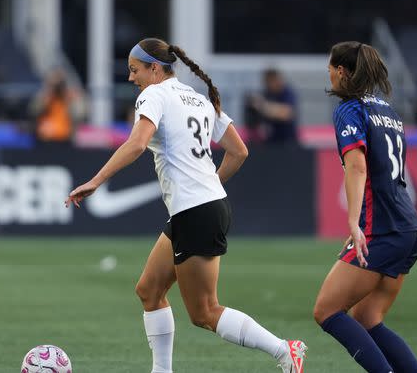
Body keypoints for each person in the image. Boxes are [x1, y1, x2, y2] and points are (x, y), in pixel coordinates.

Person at [65, 38, 306, 373]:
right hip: (198, 208)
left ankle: (284, 350)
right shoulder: (197, 98)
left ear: (153, 68)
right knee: (149, 290)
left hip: (197, 211)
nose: (131, 78)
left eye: (135, 70)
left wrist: (96, 180)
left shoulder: (154, 95)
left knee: (205, 312)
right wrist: (211, 186)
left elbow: (136, 144)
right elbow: (239, 151)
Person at [312, 42, 417, 373]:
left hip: (384, 229)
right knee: (366, 317)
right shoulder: (389, 111)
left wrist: (353, 223)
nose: (329, 74)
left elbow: (358, 167)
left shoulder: (350, 109)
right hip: (408, 228)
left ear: (343, 72)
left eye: (331, 68)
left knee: (326, 311)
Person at [30, 67, 85, 143]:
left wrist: (69, 100)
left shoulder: (71, 95)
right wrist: (46, 95)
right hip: (44, 138)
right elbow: (33, 111)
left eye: (59, 83)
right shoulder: (45, 95)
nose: (57, 87)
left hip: (65, 138)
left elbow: (80, 114)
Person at [245, 68, 298, 145]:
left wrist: (262, 106)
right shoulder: (266, 93)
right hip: (269, 142)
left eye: (271, 81)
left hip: (287, 142)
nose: (269, 85)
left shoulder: (288, 93)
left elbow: (286, 113)